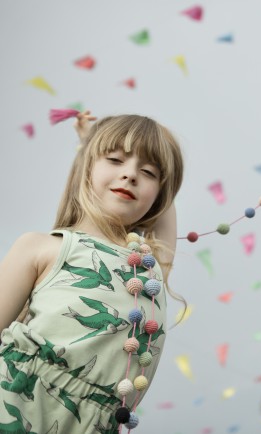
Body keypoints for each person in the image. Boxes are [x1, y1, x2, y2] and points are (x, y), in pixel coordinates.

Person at [0, 111, 184, 432]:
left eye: (148, 171)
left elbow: (165, 208)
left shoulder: (149, 267)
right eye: (114, 159)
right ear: (86, 168)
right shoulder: (42, 247)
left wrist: (111, 152)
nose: (130, 175)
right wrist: (89, 146)